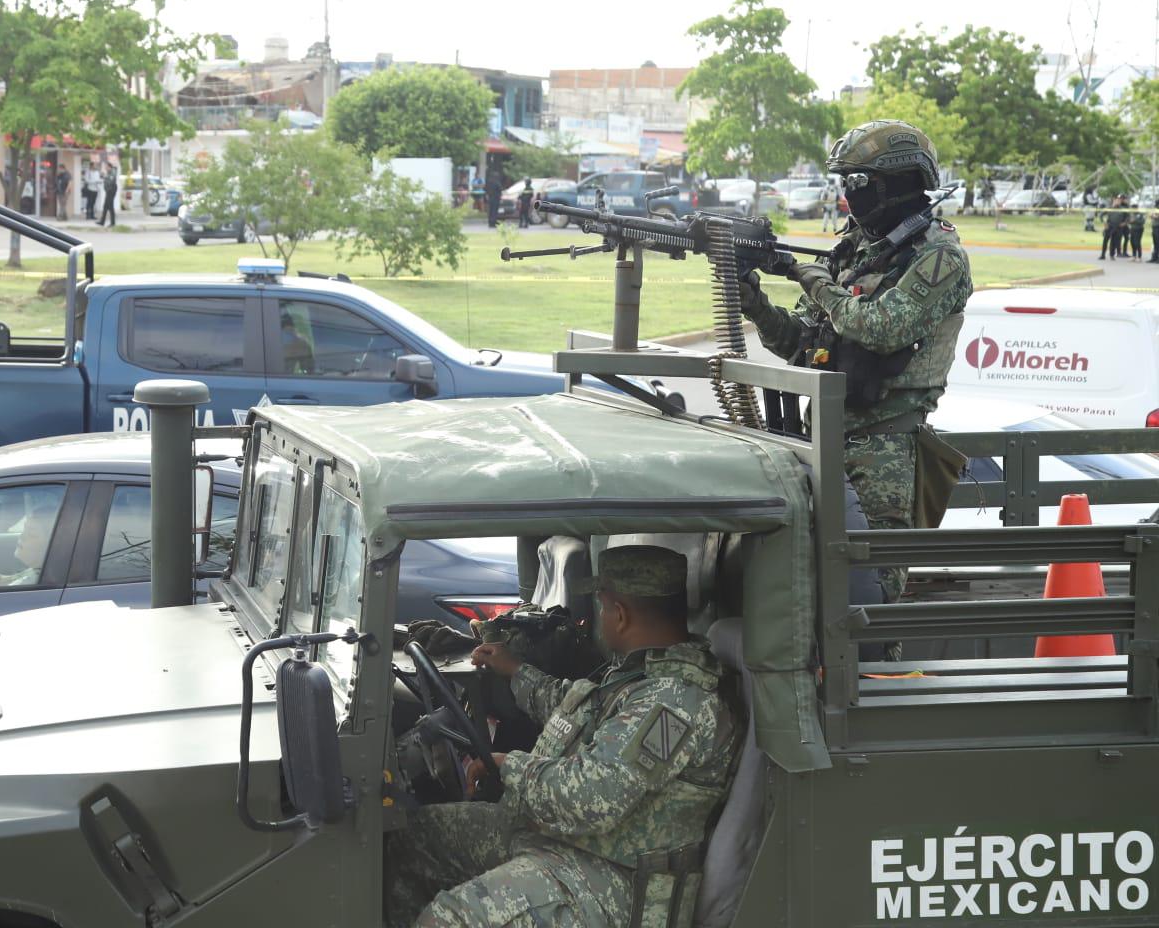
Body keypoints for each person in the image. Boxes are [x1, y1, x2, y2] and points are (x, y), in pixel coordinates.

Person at [385, 545, 737, 928]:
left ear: (619, 614)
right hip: (564, 841)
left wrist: (509, 767)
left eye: (602, 607)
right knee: (409, 840)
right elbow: (574, 709)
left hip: (609, 880)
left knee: (445, 922)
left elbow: (593, 797)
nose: (600, 618)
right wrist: (516, 670)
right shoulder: (640, 673)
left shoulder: (675, 700)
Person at [739, 120, 972, 604]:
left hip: (884, 451)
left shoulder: (939, 256)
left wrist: (813, 280)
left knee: (868, 602)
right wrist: (756, 304)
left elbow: (882, 328)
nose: (849, 194)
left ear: (901, 182)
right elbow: (802, 342)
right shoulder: (856, 251)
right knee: (804, 598)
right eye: (845, 183)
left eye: (859, 183)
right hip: (819, 443)